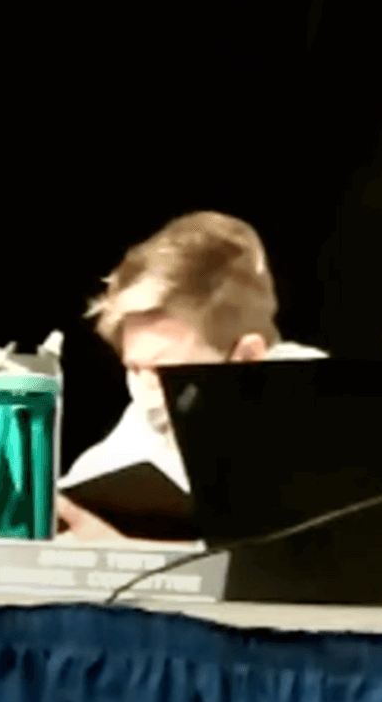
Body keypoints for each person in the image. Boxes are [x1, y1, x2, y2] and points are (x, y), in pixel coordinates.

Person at [54, 211, 326, 540]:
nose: (146, 393)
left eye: (165, 372)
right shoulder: (144, 420)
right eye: (135, 369)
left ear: (248, 357)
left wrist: (135, 560)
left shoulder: (322, 400)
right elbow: (75, 507)